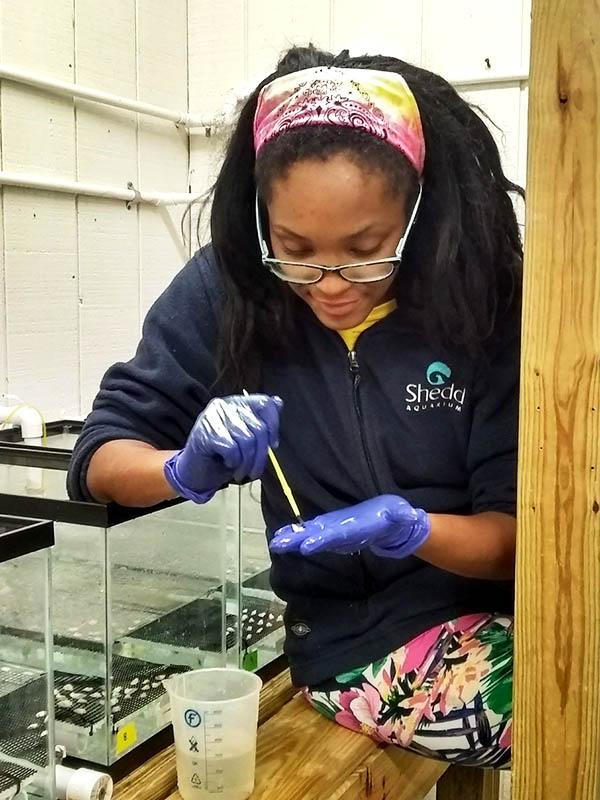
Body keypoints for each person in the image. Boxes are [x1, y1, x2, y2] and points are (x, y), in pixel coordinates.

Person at [68, 45, 522, 768]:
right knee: (558, 712)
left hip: (503, 608)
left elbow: (514, 536)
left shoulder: (480, 295)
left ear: (416, 213)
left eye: (367, 249)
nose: (331, 284)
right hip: (359, 647)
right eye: (296, 249)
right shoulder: (228, 287)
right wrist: (185, 468)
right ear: (259, 221)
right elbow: (100, 457)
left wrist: (411, 530)